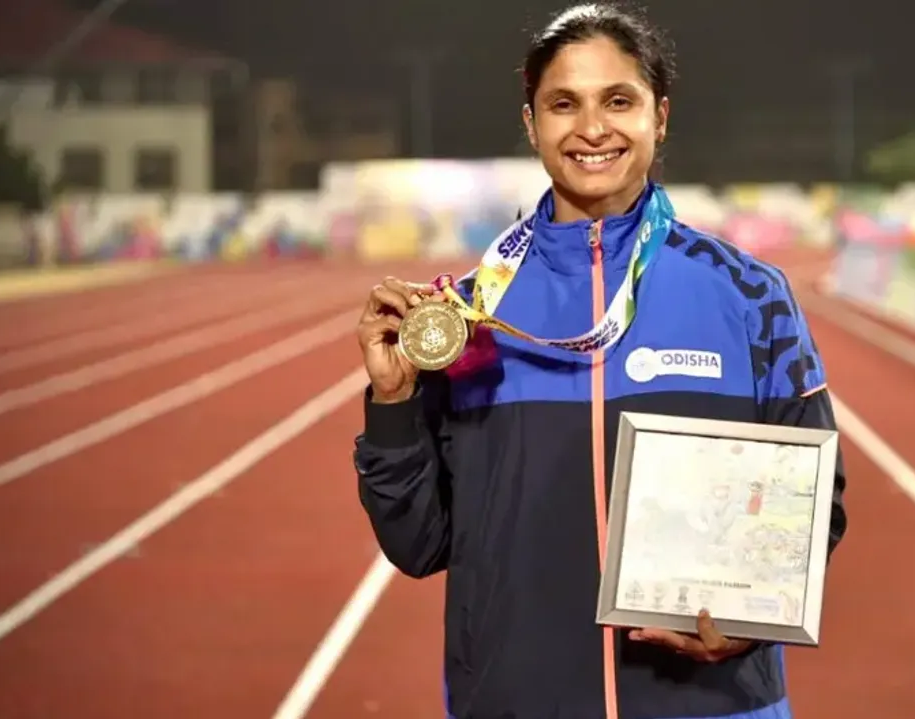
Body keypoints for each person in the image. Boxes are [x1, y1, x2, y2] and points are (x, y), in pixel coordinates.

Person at [352, 3, 848, 717]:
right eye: (563, 104)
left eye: (619, 100)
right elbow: (418, 541)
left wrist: (748, 621)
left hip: (712, 706)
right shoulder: (468, 317)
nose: (592, 128)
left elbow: (813, 497)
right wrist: (395, 404)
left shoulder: (748, 295)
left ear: (660, 115)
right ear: (531, 123)